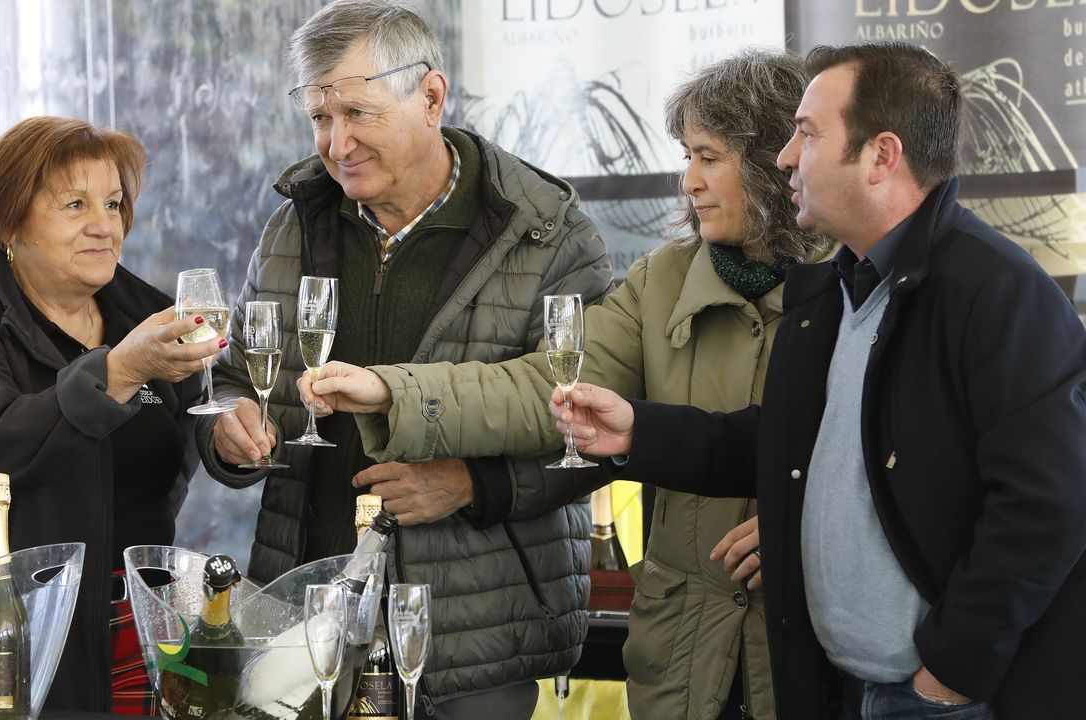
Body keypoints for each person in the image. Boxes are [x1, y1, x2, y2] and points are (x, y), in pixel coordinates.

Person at [544, 43, 1086, 719]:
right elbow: (784, 444)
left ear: (881, 156)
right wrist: (637, 429)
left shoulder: (998, 292)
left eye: (807, 135)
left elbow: (1049, 505)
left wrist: (948, 671)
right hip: (849, 690)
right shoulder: (838, 292)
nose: (785, 158)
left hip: (943, 701)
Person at [304, 49, 832, 720]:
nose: (689, 181)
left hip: (814, 647)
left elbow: (903, 456)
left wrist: (806, 521)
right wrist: (392, 392)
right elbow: (544, 389)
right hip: (686, 662)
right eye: (687, 156)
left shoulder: (858, 283)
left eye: (708, 157)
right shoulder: (658, 282)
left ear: (771, 159)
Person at [193, 1, 611, 717]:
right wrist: (230, 427)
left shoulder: (548, 234)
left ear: (431, 97)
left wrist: (474, 485)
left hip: (473, 642)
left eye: (358, 112)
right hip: (308, 626)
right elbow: (235, 380)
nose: (336, 142)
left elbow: (596, 428)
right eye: (319, 117)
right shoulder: (294, 223)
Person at [0, 116, 220, 713]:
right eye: (75, 204)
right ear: (10, 220)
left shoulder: (148, 317)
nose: (105, 226)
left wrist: (234, 434)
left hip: (139, 639)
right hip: (1, 651)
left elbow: (179, 451)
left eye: (115, 204)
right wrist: (118, 373)